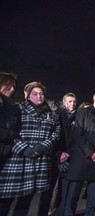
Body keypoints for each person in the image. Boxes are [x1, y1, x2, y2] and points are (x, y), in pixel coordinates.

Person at [0, 81, 61, 215]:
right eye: (35, 94)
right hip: (18, 160)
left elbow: (56, 134)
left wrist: (42, 147)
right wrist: (24, 149)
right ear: (28, 95)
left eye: (41, 94)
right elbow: (10, 132)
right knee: (5, 201)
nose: (39, 96)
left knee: (25, 202)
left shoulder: (52, 114)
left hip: (39, 161)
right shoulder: (17, 109)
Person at [64, 89, 95, 216]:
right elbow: (78, 134)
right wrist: (91, 153)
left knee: (93, 199)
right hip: (81, 159)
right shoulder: (83, 112)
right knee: (72, 196)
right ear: (94, 97)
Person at [49, 92, 77, 216]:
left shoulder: (78, 117)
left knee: (65, 187)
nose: (73, 104)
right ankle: (50, 211)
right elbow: (54, 136)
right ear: (64, 102)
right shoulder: (57, 115)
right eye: (70, 101)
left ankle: (60, 211)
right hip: (57, 155)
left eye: (74, 101)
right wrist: (58, 153)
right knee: (54, 188)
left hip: (70, 155)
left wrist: (69, 153)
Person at [0, 72, 20, 169]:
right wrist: (11, 135)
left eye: (14, 87)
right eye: (8, 86)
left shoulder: (11, 107)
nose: (12, 89)